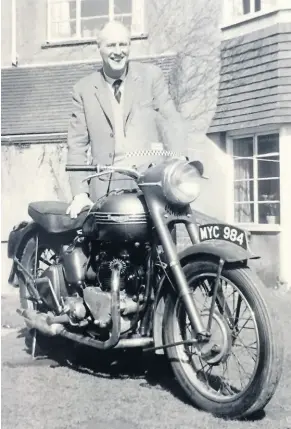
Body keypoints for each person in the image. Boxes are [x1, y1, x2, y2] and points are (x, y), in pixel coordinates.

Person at [66, 20, 188, 219]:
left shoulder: (150, 77)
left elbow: (170, 120)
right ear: (100, 48)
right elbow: (77, 145)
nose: (118, 51)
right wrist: (80, 193)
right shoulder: (83, 90)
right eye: (111, 45)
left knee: (160, 246)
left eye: (123, 44)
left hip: (149, 183)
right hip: (105, 187)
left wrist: (179, 159)